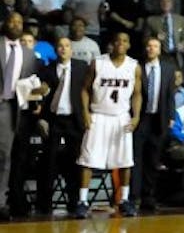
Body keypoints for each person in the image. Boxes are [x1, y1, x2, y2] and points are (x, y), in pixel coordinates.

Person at [74, 31, 142, 218]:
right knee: (87, 159)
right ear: (112, 43)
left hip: (121, 117)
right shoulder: (98, 63)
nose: (121, 43)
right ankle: (82, 201)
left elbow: (137, 94)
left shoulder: (134, 66)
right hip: (99, 115)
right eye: (118, 40)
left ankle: (124, 200)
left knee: (125, 160)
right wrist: (86, 113)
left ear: (129, 45)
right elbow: (84, 90)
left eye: (125, 40)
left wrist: (135, 117)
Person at [38, 37, 84, 217]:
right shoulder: (46, 70)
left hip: (74, 120)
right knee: (48, 162)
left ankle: (74, 203)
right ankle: (44, 205)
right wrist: (41, 119)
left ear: (72, 50)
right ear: (56, 50)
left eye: (66, 46)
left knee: (75, 162)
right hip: (53, 119)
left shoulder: (82, 67)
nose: (63, 49)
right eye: (60, 46)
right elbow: (40, 97)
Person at [0, 11, 39, 221]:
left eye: (19, 22)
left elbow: (31, 83)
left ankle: (1, 203)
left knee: (6, 158)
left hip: (15, 109)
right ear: (5, 24)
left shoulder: (29, 53)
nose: (15, 24)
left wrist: (38, 94)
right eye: (11, 21)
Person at [132, 36, 177, 212]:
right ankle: (133, 196)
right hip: (140, 118)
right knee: (136, 158)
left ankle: (148, 197)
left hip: (159, 118)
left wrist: (171, 116)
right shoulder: (137, 67)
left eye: (155, 46)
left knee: (153, 160)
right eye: (149, 46)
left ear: (160, 50)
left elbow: (170, 95)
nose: (151, 49)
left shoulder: (168, 68)